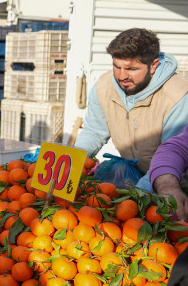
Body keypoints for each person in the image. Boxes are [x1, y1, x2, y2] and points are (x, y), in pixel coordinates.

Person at [75, 28, 188, 186]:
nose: (122, 76)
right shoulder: (104, 86)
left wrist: (139, 194)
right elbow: (94, 131)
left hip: (173, 181)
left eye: (131, 69)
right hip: (135, 170)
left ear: (153, 65)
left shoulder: (177, 96)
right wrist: (72, 161)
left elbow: (174, 155)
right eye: (116, 66)